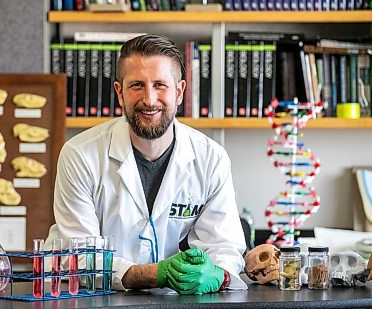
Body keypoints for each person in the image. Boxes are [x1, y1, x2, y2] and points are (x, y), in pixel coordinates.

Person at [45, 34, 247, 294]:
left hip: (176, 301)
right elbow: (80, 256)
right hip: (97, 299)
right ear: (119, 92)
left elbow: (225, 248)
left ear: (180, 91)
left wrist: (218, 274)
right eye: (137, 85)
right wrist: (152, 275)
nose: (150, 99)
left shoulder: (211, 158)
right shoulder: (80, 155)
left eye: (160, 85)